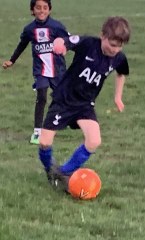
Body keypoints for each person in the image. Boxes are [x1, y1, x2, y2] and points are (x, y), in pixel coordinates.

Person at [39, 16, 131, 191]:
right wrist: (60, 44)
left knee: (94, 140)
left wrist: (118, 97)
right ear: (102, 35)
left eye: (119, 46)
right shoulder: (89, 43)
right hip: (64, 100)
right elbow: (66, 41)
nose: (115, 49)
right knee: (44, 142)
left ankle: (64, 172)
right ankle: (50, 170)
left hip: (85, 105)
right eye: (112, 44)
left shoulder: (119, 57)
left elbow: (121, 74)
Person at [2, 0, 69, 145]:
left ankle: (64, 121)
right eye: (38, 8)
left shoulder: (57, 27)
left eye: (45, 8)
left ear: (49, 10)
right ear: (32, 10)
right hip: (40, 71)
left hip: (57, 70)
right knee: (42, 96)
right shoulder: (29, 29)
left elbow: (70, 41)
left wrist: (69, 48)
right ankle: (37, 131)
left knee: (61, 98)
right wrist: (12, 60)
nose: (42, 11)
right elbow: (22, 45)